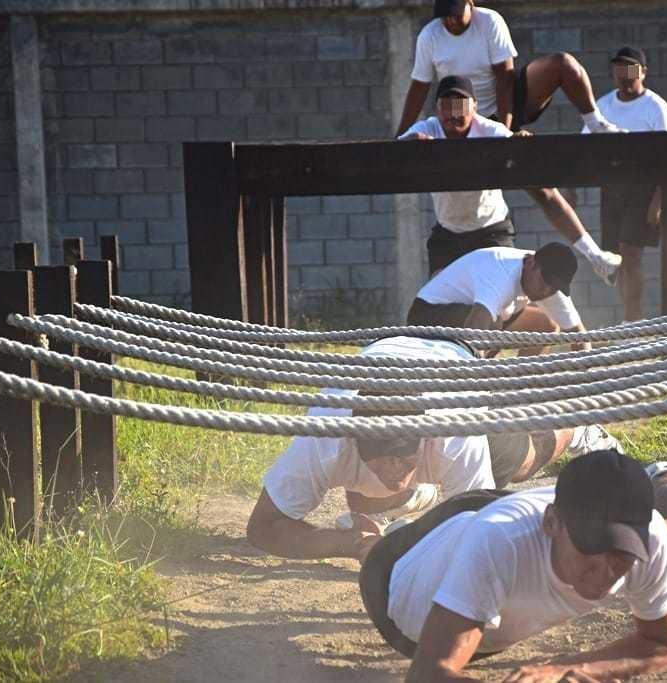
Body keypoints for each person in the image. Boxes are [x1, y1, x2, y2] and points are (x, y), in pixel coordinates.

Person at [359, 450, 667, 681]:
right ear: (553, 523)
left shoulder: (647, 540)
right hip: (397, 575)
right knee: (398, 547)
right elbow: (428, 674)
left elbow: (666, 644)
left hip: (524, 535)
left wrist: (568, 668)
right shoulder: (497, 543)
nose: (602, 575)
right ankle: (388, 529)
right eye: (590, 549)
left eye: (619, 554)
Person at [245, 335, 621, 563]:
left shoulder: (455, 434)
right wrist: (346, 544)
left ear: (425, 440)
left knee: (520, 460)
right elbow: (262, 527)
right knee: (364, 502)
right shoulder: (324, 439)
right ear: (354, 442)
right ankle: (418, 494)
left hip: (452, 361)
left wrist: (418, 544)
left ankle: (578, 425)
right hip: (382, 351)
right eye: (380, 460)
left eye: (403, 458)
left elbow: (483, 530)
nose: (393, 469)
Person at [397, 1, 625, 284]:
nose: (451, 22)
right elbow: (419, 88)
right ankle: (595, 256)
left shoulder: (489, 22)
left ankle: (596, 125)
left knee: (562, 65)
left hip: (502, 111)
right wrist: (398, 141)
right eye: (445, 18)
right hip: (458, 119)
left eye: (456, 15)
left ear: (470, 4)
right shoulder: (429, 36)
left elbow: (505, 79)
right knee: (539, 189)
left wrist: (504, 134)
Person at [582, 46, 667, 322]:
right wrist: (571, 188)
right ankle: (629, 321)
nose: (624, 76)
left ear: (643, 72)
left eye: (630, 70)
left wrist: (658, 200)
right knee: (618, 258)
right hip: (612, 189)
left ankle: (633, 322)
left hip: (645, 190)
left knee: (630, 253)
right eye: (618, 70)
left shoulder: (656, 107)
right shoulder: (602, 106)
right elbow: (580, 146)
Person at [407, 243, 587, 356]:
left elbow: (579, 336)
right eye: (545, 281)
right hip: (426, 315)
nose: (546, 291)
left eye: (554, 287)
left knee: (545, 325)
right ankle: (477, 386)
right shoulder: (500, 272)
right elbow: (474, 330)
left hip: (481, 321)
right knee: (493, 326)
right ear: (531, 263)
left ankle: (516, 389)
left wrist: (588, 380)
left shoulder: (548, 285)